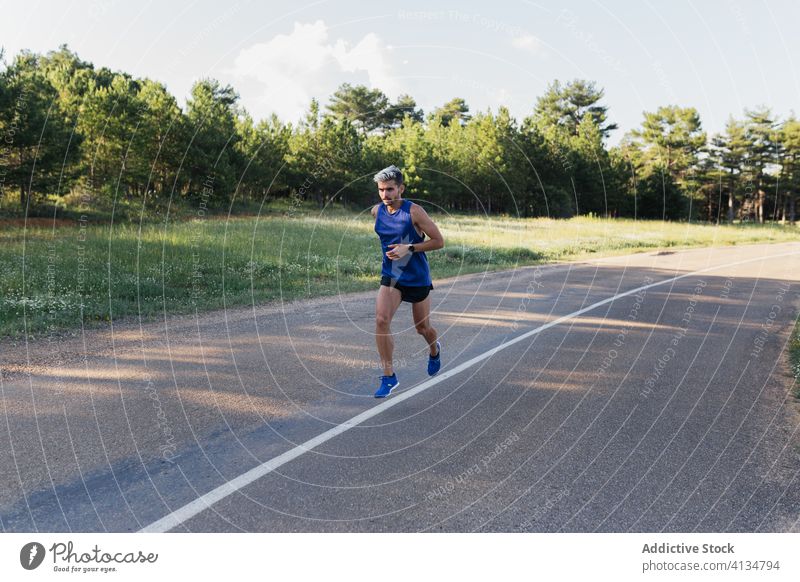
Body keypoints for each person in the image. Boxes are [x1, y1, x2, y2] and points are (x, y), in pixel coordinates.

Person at [371, 165, 445, 398]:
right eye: (381, 190)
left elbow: (438, 241)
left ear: (401, 188)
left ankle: (434, 349)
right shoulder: (377, 211)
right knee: (381, 320)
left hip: (417, 277)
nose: (385, 195)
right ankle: (388, 376)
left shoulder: (415, 212)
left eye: (390, 189)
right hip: (392, 276)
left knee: (422, 328)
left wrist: (409, 248)